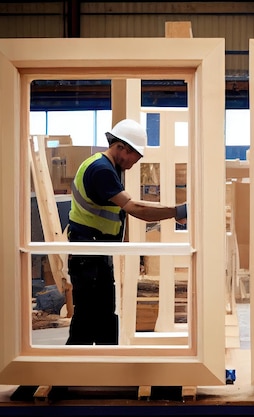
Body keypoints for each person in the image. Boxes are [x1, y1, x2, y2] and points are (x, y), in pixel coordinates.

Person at [66, 118, 187, 345]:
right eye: (135, 156)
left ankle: (107, 371)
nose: (135, 162)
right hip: (88, 257)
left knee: (103, 321)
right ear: (121, 147)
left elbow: (121, 212)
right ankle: (66, 376)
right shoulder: (101, 170)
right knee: (86, 323)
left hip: (96, 255)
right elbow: (134, 208)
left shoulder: (109, 167)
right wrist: (177, 210)